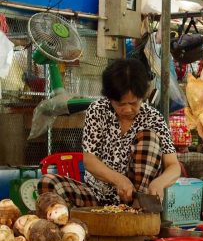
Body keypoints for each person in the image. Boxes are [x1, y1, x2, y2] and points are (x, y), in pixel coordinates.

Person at [38, 59, 181, 206]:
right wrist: (119, 180)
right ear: (110, 98)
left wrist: (159, 183)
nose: (127, 109)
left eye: (133, 103)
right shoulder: (98, 110)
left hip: (136, 200)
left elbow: (173, 166)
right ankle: (75, 227)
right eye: (120, 104)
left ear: (142, 96)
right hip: (96, 195)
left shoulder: (154, 118)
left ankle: (135, 214)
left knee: (149, 138)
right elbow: (89, 160)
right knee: (48, 183)